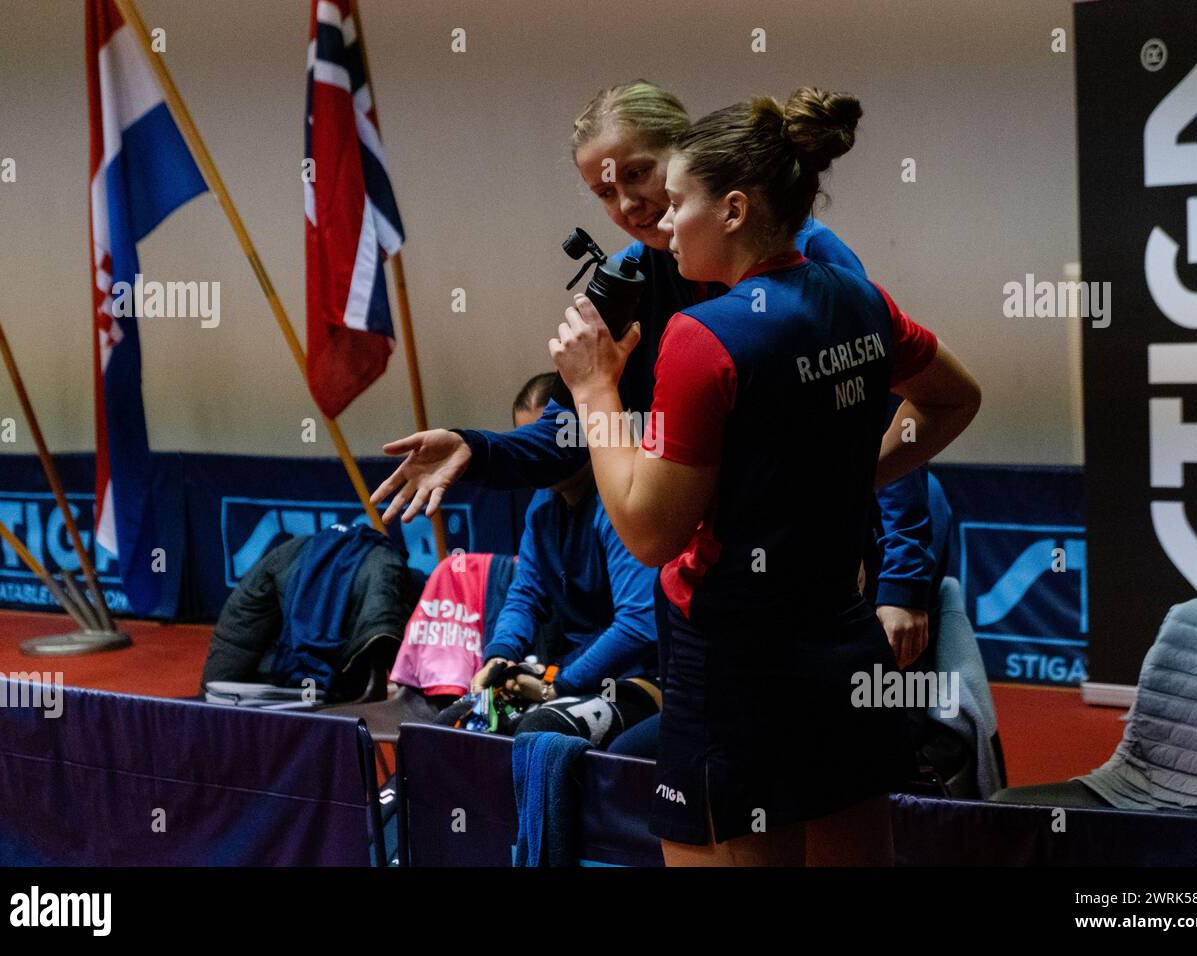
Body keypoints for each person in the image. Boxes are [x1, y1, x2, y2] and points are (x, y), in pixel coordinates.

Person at [547, 87, 981, 866]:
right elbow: (954, 398)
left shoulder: (700, 338)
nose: (663, 222)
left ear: (737, 211)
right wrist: (851, 482)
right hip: (841, 641)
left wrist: (593, 390)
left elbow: (649, 532)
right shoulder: (860, 298)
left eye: (679, 203)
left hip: (733, 665)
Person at [369, 80, 935, 673]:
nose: (627, 205)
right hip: (712, 596)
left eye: (637, 175)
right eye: (604, 193)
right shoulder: (626, 280)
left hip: (829, 580)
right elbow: (566, 440)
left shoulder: (814, 261)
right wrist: (474, 447)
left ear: (684, 157)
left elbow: (883, 407)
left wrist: (903, 580)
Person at [466, 372, 661, 749]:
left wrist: (559, 684)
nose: (539, 457)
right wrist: (501, 655)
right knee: (465, 720)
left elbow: (639, 625)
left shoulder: (620, 501)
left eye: (548, 441)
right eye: (529, 444)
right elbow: (525, 596)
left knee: (538, 729)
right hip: (564, 674)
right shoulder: (541, 507)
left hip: (642, 679)